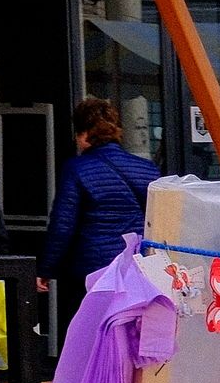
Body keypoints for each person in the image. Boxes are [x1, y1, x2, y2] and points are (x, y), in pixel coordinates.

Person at [38, 97, 158, 332]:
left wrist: (46, 269)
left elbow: (63, 225)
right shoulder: (147, 169)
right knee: (126, 333)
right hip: (133, 266)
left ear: (84, 134)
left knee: (87, 334)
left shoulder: (76, 168)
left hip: (89, 270)